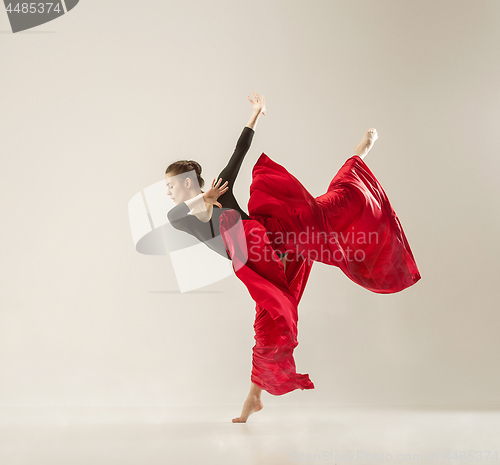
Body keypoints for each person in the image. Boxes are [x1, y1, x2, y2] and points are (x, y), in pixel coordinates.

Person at [164, 92, 421, 423]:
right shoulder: (181, 215)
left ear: (186, 182)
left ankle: (359, 156)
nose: (168, 192)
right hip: (257, 265)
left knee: (335, 204)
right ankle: (254, 398)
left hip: (279, 235)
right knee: (267, 327)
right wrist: (204, 199)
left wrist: (255, 114)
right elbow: (177, 217)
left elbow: (239, 152)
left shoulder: (221, 189)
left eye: (170, 186)